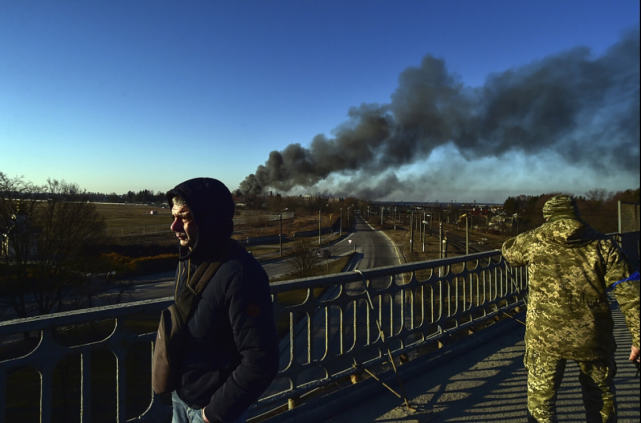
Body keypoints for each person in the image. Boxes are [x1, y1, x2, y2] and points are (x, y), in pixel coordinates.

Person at [501, 195, 640, 423]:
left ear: (548, 217)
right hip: (593, 337)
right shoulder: (603, 244)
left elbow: (509, 252)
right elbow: (629, 292)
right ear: (576, 214)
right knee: (600, 399)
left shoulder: (534, 240)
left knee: (541, 405)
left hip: (545, 338)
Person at [166, 177, 279, 423]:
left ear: (211, 221)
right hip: (182, 399)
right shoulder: (190, 260)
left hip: (209, 410)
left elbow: (261, 359)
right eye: (173, 217)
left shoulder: (242, 274)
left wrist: (213, 414)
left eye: (184, 218)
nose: (173, 227)